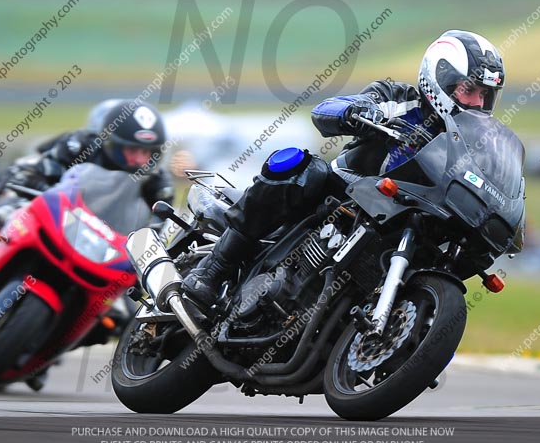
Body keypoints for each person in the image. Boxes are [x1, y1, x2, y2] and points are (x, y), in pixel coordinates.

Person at [182, 29, 507, 307]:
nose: (478, 103)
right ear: (440, 79)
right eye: (469, 90)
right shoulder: (398, 99)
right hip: (345, 197)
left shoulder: (475, 147)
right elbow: (327, 109)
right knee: (301, 166)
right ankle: (214, 269)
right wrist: (357, 111)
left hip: (409, 217)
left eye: (485, 95)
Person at [0, 99, 174, 303]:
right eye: (131, 150)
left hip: (108, 244)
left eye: (147, 152)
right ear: (110, 141)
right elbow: (33, 166)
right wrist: (7, 185)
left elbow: (160, 230)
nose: (139, 159)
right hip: (56, 216)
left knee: (125, 308)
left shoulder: (158, 183)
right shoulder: (79, 145)